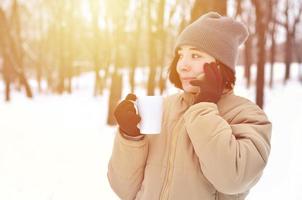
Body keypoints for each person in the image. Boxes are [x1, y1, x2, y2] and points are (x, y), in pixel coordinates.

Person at [107, 12, 272, 200]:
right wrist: (130, 137)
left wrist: (204, 106)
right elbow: (124, 189)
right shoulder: (165, 108)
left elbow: (233, 179)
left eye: (195, 55)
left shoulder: (248, 116)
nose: (182, 65)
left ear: (220, 65)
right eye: (180, 55)